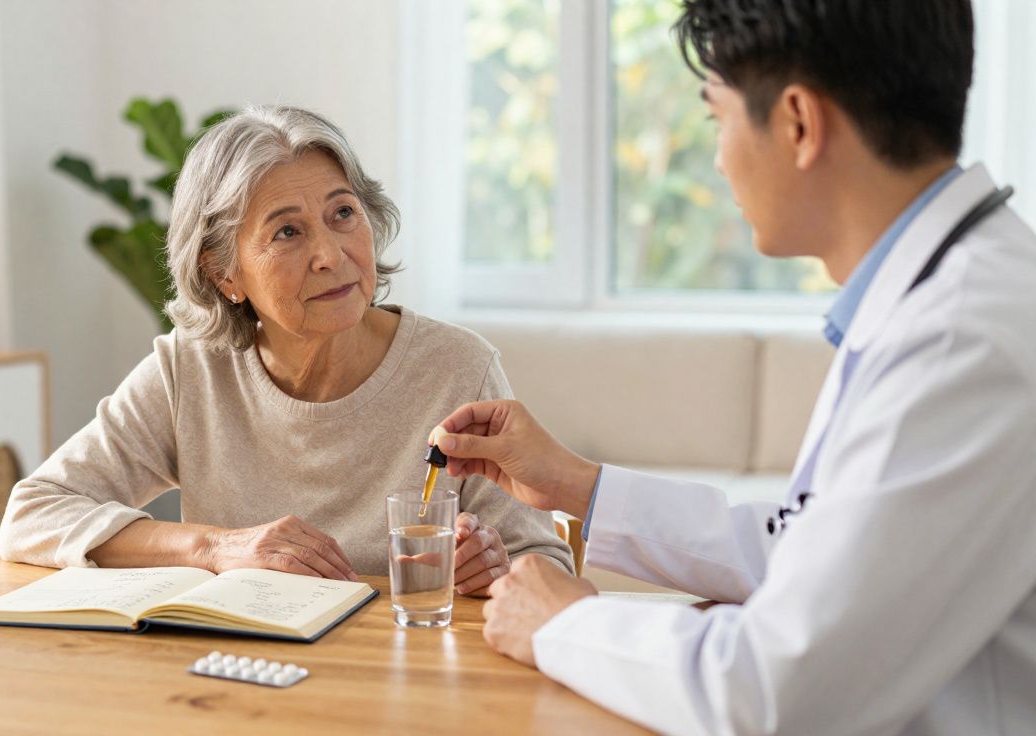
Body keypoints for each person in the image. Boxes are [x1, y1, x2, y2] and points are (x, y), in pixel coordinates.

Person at [431, 1, 1036, 733]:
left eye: (716, 116)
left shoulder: (963, 340)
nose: (717, 158)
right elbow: (807, 546)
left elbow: (783, 690)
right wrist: (577, 484)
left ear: (798, 124)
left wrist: (565, 624)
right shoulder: (949, 300)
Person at [0, 106, 573, 587]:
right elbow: (33, 513)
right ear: (225, 273)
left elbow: (546, 566)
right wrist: (214, 547)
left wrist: (496, 569)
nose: (330, 253)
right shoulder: (190, 369)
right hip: (236, 681)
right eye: (288, 232)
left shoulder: (458, 369)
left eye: (343, 213)